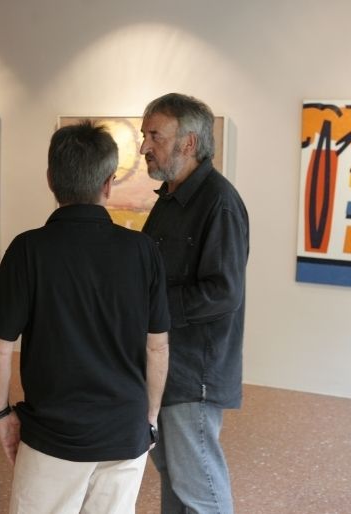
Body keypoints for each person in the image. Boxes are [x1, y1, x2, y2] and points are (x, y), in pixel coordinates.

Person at [0, 120, 171, 514]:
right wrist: (149, 417)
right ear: (108, 183)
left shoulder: (28, 250)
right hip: (124, 433)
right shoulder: (142, 251)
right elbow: (157, 347)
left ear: (51, 179)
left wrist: (0, 413)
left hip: (53, 437)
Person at [139, 93, 249, 514]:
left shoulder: (219, 202)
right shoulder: (170, 198)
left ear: (188, 143)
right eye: (145, 135)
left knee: (201, 488)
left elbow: (224, 292)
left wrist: (152, 308)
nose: (145, 146)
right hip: (167, 366)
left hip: (193, 373)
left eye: (155, 136)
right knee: (176, 476)